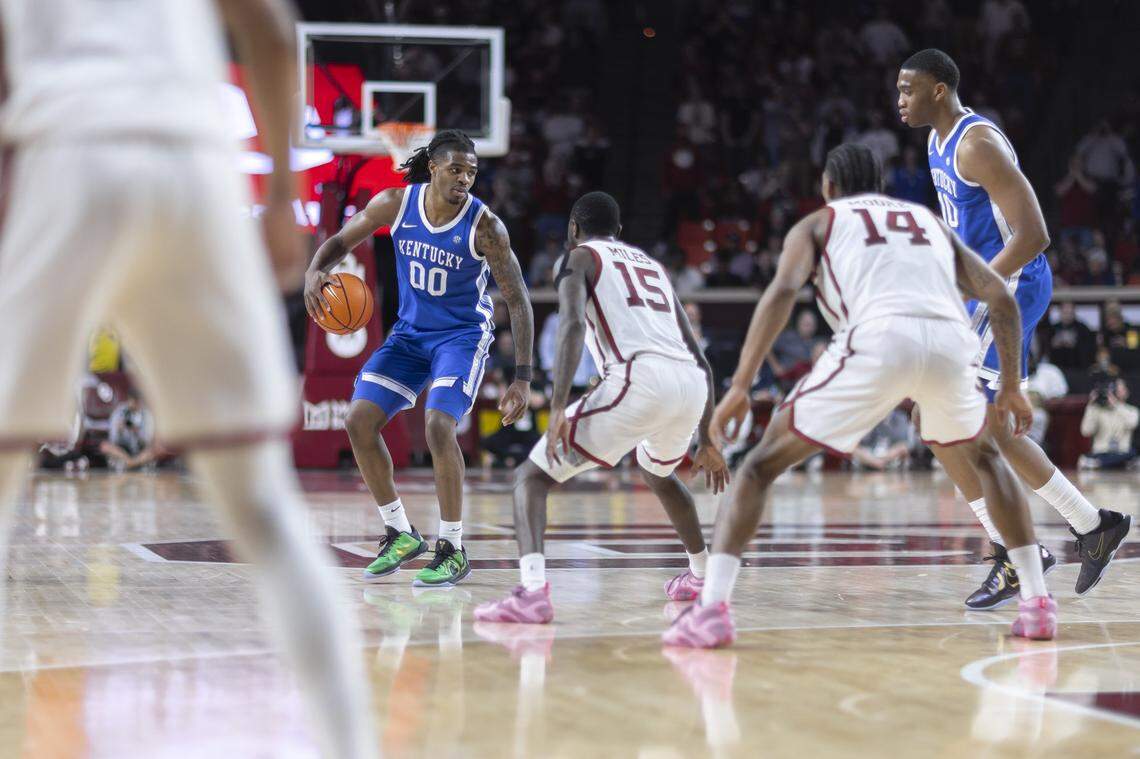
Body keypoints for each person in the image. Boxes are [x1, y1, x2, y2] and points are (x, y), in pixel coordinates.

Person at [0, 1, 375, 756]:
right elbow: (270, 30)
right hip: (197, 167)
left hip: (68, 150)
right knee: (263, 505)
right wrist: (276, 198)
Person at [663, 144, 1057, 649]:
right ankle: (1038, 602)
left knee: (760, 466)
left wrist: (741, 384)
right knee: (985, 458)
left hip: (877, 338)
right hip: (950, 340)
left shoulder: (818, 223)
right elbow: (1000, 296)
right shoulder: (925, 220)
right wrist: (1008, 387)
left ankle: (713, 608)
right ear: (879, 185)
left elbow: (782, 292)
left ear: (828, 186)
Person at [897, 48, 1130, 607]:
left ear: (938, 90)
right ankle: (1092, 525)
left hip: (1013, 285)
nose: (899, 101)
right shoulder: (936, 142)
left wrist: (973, 285)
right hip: (989, 287)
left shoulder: (977, 145)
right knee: (986, 427)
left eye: (908, 90)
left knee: (940, 417)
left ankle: (1013, 553)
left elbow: (1034, 235)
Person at [473, 192, 730, 624]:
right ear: (620, 232)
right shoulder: (653, 268)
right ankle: (702, 575)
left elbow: (572, 323)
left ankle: (532, 593)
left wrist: (556, 407)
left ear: (573, 230)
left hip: (638, 380)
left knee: (530, 478)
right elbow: (700, 358)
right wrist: (707, 437)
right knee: (657, 472)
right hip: (690, 385)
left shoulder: (578, 259)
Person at [304, 129, 535, 587]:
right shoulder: (395, 204)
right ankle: (400, 531)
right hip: (410, 336)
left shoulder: (485, 226)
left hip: (461, 337)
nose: (465, 179)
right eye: (456, 169)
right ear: (433, 166)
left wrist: (522, 377)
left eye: (471, 172)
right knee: (358, 421)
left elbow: (519, 300)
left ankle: (451, 546)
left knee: (437, 426)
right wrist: (317, 270)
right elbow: (341, 241)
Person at [1079, 379, 1139, 470]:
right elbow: (1086, 431)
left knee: (1132, 453)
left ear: (1126, 392)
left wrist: (1116, 405)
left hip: (1122, 452)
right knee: (1131, 460)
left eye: (1119, 389)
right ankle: (1114, 463)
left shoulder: (1132, 410)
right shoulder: (1097, 410)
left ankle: (1098, 464)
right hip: (1101, 452)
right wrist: (1091, 406)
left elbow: (1132, 423)